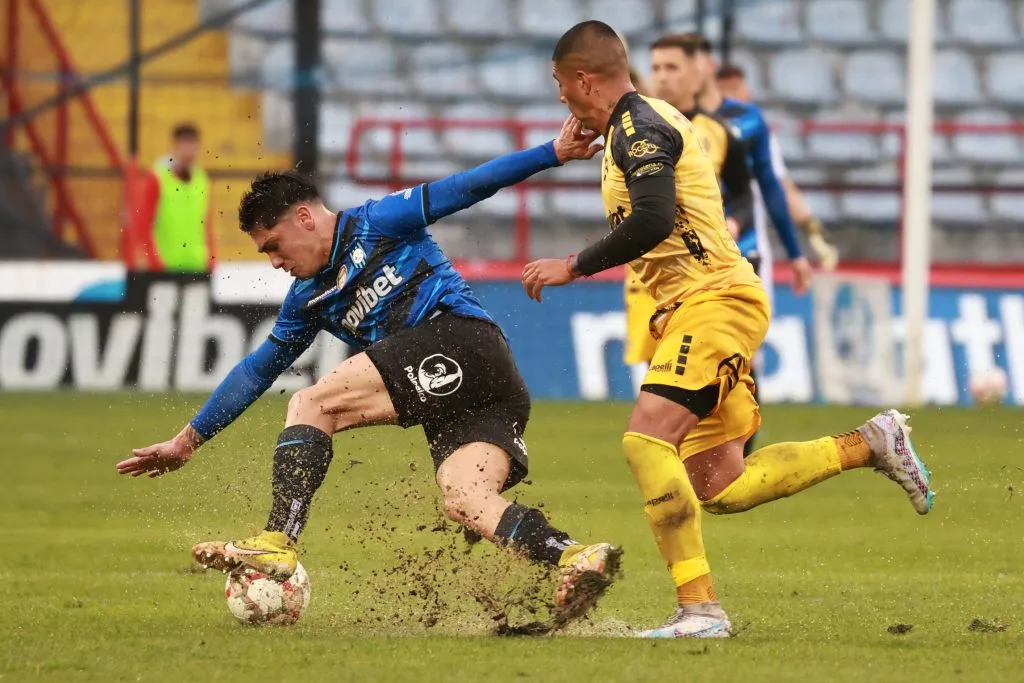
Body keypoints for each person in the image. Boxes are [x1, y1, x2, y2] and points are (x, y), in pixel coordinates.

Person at [115, 117, 621, 625]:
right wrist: (187, 441)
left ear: (304, 218)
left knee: (312, 403)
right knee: (466, 499)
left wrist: (552, 152)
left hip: (464, 342)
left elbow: (468, 186)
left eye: (273, 245)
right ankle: (576, 557)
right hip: (480, 391)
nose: (273, 262)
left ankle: (277, 540)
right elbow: (256, 370)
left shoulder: (379, 221)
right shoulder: (307, 299)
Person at [524, 20, 933, 639]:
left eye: (561, 83)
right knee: (720, 484)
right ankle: (870, 442)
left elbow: (656, 217)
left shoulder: (638, 126)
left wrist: (572, 265)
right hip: (703, 304)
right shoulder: (633, 127)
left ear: (584, 79)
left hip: (712, 302)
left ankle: (700, 610)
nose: (560, 97)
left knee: (645, 441)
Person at [622, 33, 755, 392]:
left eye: (672, 67)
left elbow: (744, 195)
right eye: (656, 68)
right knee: (661, 382)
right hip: (650, 274)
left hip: (706, 271)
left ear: (696, 73)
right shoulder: (631, 129)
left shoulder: (720, 132)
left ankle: (733, 450)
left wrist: (736, 220)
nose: (663, 76)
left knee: (729, 378)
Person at [716, 63, 838, 271]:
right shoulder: (740, 127)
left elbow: (777, 184)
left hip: (729, 237)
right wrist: (807, 232)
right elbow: (779, 186)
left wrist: (809, 228)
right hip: (731, 238)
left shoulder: (750, 128)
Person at [133, 123, 216, 272]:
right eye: (185, 145)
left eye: (193, 146)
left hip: (197, 265)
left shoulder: (202, 179)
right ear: (174, 146)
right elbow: (144, 223)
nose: (189, 151)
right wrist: (154, 260)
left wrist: (211, 259)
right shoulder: (158, 178)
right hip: (165, 266)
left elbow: (206, 223)